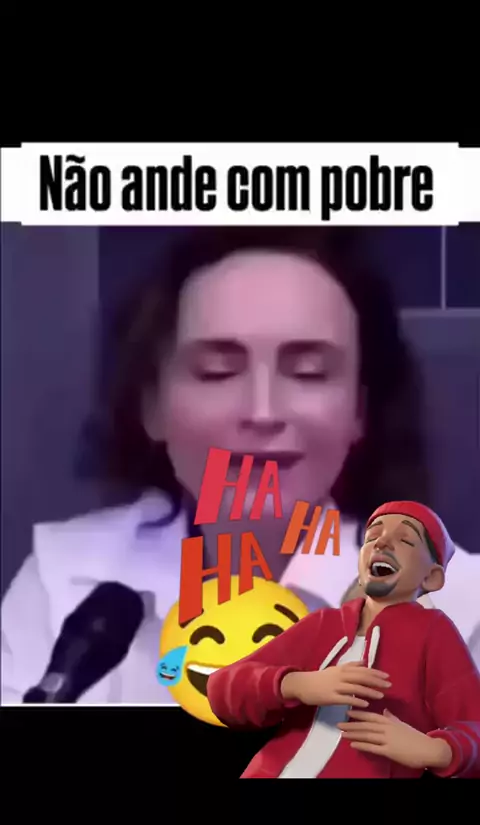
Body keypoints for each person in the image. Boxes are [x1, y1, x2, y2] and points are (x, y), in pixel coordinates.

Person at [1, 227, 479, 704]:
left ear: (360, 410)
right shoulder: (65, 584)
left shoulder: (458, 611)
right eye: (217, 372)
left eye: (309, 372)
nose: (262, 412)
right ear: (151, 406)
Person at [207, 501, 480, 779]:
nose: (381, 543)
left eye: (405, 540)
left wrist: (435, 751)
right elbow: (222, 688)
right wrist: (295, 685)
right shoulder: (322, 624)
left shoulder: (434, 633)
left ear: (432, 577)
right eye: (372, 537)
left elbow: (474, 725)